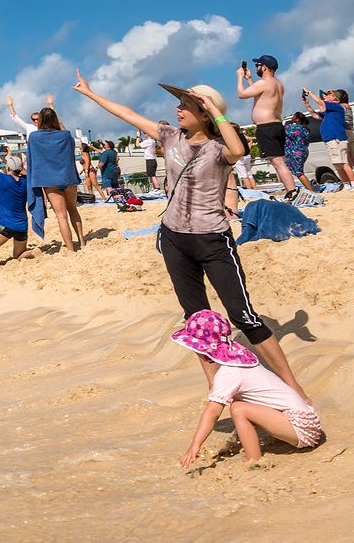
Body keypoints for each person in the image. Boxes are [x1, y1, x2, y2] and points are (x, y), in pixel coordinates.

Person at [74, 71, 308, 398]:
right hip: (174, 239)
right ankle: (217, 388)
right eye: (179, 103)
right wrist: (90, 93)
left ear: (205, 114)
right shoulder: (170, 137)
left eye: (186, 105)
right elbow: (126, 113)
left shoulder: (219, 147)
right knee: (196, 320)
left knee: (244, 316)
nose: (178, 109)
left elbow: (239, 150)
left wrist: (215, 110)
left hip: (212, 239)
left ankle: (293, 386)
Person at [173, 311, 323, 468]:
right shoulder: (239, 356)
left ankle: (255, 463)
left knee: (238, 409)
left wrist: (195, 444)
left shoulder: (229, 372)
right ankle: (257, 446)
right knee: (238, 403)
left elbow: (213, 412)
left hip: (302, 428)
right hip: (303, 420)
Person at [238, 55, 303, 194]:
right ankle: (290, 191)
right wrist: (249, 79)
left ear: (264, 67)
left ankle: (292, 191)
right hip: (277, 126)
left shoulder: (263, 83)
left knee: (278, 163)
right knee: (278, 162)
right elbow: (258, 95)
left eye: (258, 65)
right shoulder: (278, 84)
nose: (257, 68)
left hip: (266, 127)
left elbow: (242, 94)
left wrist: (239, 77)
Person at [25, 106, 83, 251]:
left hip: (50, 180)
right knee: (73, 210)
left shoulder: (34, 137)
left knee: (61, 216)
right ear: (55, 119)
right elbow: (69, 139)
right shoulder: (65, 135)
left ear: (41, 120)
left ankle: (70, 248)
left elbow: (33, 159)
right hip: (67, 178)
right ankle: (82, 242)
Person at [0, 155, 38, 271]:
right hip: (22, 226)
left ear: (8, 168)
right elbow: (27, 174)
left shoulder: (2, 179)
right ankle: (35, 252)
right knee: (18, 256)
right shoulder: (26, 182)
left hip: (6, 224)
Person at [304, 87, 353, 185]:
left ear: (336, 99)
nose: (327, 95)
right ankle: (346, 185)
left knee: (344, 163)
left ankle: (353, 183)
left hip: (337, 138)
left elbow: (320, 102)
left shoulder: (337, 107)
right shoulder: (330, 111)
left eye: (330, 94)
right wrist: (308, 105)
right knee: (337, 165)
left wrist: (309, 92)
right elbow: (316, 116)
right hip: (329, 139)